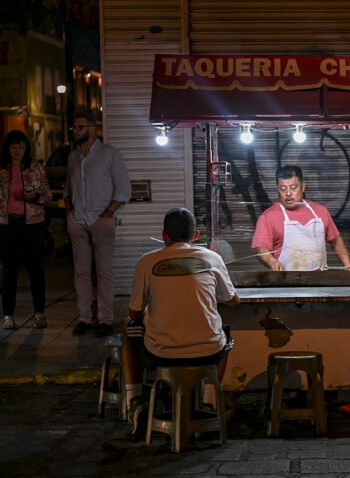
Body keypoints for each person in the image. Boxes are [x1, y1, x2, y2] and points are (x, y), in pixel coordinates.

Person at [122, 207, 241, 436]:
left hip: (160, 352)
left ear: (164, 235)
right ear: (195, 236)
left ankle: (134, 401)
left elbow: (134, 313)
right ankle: (208, 403)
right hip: (209, 352)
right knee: (227, 338)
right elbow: (233, 301)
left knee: (128, 330)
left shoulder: (147, 261)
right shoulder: (211, 258)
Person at [63, 110, 131, 337]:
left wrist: (108, 212)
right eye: (74, 127)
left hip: (101, 220)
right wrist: (69, 209)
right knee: (81, 273)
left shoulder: (109, 154)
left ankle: (105, 319)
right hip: (78, 220)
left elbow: (123, 189)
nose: (75, 131)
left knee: (104, 272)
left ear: (93, 128)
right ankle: (84, 317)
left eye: (80, 127)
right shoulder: (73, 157)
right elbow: (68, 187)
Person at [251, 165, 350, 271]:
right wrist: (271, 261)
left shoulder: (320, 211)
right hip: (286, 282)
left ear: (303, 186)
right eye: (283, 189)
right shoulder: (268, 217)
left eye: (293, 188)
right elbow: (261, 247)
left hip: (320, 281)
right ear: (277, 188)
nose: (288, 193)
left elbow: (335, 241)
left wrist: (349, 267)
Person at [0, 131, 52, 330]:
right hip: (7, 225)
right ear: (7, 148)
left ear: (26, 148)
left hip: (32, 224)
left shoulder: (35, 168)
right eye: (13, 146)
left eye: (21, 146)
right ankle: (8, 315)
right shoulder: (2, 170)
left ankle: (39, 312)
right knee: (9, 271)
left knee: (36, 269)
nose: (17, 151)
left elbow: (47, 195)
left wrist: (34, 196)